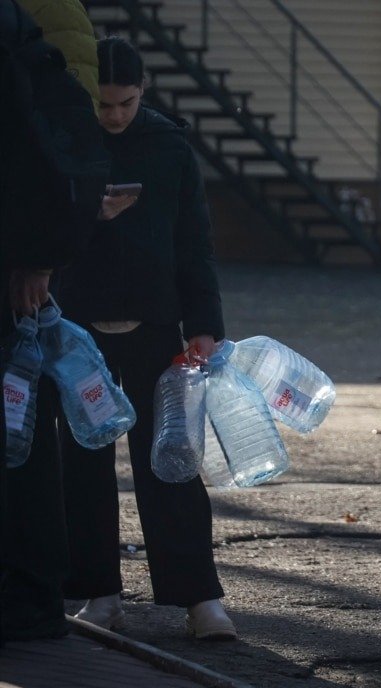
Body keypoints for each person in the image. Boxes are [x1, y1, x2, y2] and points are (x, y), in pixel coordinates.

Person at [56, 36, 236, 640]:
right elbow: (37, 227)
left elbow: (195, 241)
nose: (114, 115)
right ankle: (100, 593)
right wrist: (85, 214)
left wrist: (204, 326)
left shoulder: (168, 146)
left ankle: (200, 600)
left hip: (156, 326)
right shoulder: (66, 138)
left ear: (143, 92)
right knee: (82, 464)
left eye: (125, 103)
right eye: (103, 104)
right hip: (79, 331)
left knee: (171, 463)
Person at [0, 0, 105, 644]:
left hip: (20, 261)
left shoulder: (26, 31)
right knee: (23, 422)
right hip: (26, 255)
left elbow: (37, 151)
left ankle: (31, 593)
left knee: (23, 426)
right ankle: (32, 592)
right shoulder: (39, 25)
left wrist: (39, 258)